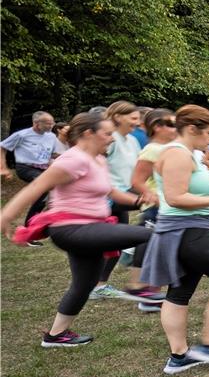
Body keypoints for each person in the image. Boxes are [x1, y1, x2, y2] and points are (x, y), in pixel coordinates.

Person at [1, 113, 154, 347]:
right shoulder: (73, 160)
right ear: (88, 134)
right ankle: (141, 287)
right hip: (73, 229)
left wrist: (141, 201)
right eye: (107, 134)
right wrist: (6, 217)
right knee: (149, 235)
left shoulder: (97, 159)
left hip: (90, 228)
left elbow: (111, 192)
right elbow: (36, 188)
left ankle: (55, 335)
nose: (111, 139)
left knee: (84, 284)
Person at [141, 105, 209, 375]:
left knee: (180, 290)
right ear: (191, 129)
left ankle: (179, 356)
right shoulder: (177, 155)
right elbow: (176, 198)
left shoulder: (189, 154)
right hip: (186, 229)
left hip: (188, 228)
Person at [90, 101, 165, 306]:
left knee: (118, 243)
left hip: (126, 193)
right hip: (108, 197)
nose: (137, 122)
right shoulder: (109, 139)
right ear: (117, 117)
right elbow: (96, 165)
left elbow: (137, 170)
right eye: (133, 118)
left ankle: (100, 286)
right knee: (153, 218)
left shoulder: (131, 140)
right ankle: (137, 282)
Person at [0, 111, 65, 234]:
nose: (52, 126)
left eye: (53, 123)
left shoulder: (51, 136)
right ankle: (28, 226)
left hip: (43, 168)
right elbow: (2, 147)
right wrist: (3, 167)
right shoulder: (22, 135)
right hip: (25, 168)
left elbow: (53, 154)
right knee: (45, 187)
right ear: (36, 123)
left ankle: (38, 222)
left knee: (49, 192)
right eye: (48, 123)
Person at [131, 108, 178, 227]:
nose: (177, 129)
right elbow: (137, 181)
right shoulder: (152, 149)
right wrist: (154, 198)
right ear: (157, 127)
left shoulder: (172, 148)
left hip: (171, 205)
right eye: (172, 125)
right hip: (156, 209)